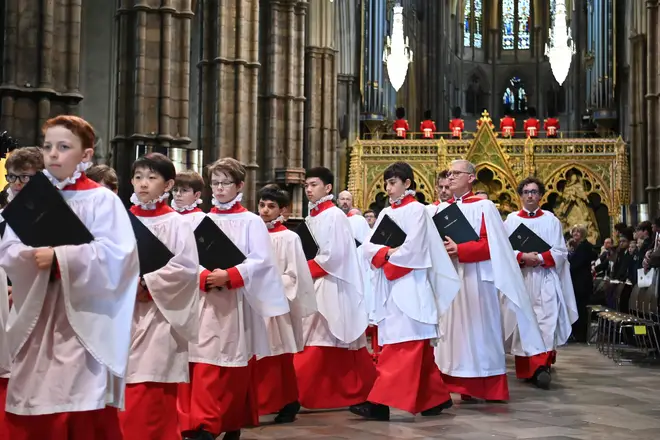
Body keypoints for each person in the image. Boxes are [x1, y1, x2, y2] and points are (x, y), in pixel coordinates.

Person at [0, 115, 139, 439]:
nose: (52, 154)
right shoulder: (34, 194)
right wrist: (27, 257)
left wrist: (60, 258)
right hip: (38, 311)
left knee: (77, 403)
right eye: (48, 146)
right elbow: (8, 246)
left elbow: (120, 255)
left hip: (82, 319)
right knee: (32, 399)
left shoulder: (101, 199)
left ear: (85, 155)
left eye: (64, 147)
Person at [178, 158, 290, 440]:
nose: (219, 188)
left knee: (227, 361)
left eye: (225, 182)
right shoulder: (200, 219)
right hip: (204, 299)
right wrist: (204, 276)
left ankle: (226, 420)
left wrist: (231, 275)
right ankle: (201, 423)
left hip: (235, 301)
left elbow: (263, 261)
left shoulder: (252, 221)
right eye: (215, 183)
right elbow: (185, 257)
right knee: (201, 360)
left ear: (239, 185)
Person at [352, 162, 459, 421]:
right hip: (391, 285)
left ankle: (379, 403)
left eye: (393, 183)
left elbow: (415, 250)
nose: (388, 189)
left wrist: (386, 259)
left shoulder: (418, 211)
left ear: (407, 184)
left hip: (411, 285)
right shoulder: (387, 212)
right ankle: (435, 399)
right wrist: (387, 252)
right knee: (415, 349)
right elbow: (367, 246)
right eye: (386, 184)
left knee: (404, 347)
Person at [433, 160, 545, 402]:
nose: (450, 178)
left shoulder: (484, 207)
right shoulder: (442, 209)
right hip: (451, 277)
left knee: (480, 332)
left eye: (455, 173)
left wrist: (459, 249)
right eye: (448, 174)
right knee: (454, 335)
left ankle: (487, 385)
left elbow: (492, 245)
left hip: (477, 279)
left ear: (471, 178)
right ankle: (460, 385)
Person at [121, 153, 200, 439]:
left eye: (152, 178)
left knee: (151, 384)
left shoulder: (177, 224)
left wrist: (149, 284)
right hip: (124, 312)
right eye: (138, 177)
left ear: (167, 185)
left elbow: (186, 266)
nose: (143, 184)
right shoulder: (121, 220)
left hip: (160, 314)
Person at [294, 167, 376, 411]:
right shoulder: (312, 216)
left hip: (331, 284)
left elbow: (335, 256)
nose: (309, 189)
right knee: (317, 338)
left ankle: (300, 394)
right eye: (306, 185)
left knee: (322, 336)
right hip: (313, 282)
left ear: (327, 188)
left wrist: (301, 267)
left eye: (314, 184)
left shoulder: (335, 216)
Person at [504, 177, 577, 389]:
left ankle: (541, 368)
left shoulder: (551, 220)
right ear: (520, 195)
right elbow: (505, 250)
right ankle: (528, 369)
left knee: (546, 321)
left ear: (540, 196)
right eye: (526, 191)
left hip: (545, 278)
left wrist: (539, 258)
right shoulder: (510, 221)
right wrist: (522, 256)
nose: (530, 195)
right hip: (522, 278)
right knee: (523, 323)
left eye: (534, 192)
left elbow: (560, 251)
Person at [256, 185, 317, 423]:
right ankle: (270, 402)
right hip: (253, 302)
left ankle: (286, 402)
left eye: (271, 206)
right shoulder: (252, 232)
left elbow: (295, 276)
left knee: (276, 357)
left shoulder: (289, 238)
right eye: (262, 205)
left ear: (284, 210)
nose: (265, 211)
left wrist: (268, 281)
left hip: (277, 304)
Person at [568, 225, 597, 342]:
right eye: (574, 232)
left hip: (581, 283)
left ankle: (581, 335)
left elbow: (576, 264)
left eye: (578, 232)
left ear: (583, 234)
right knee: (577, 307)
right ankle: (577, 333)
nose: (575, 234)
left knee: (581, 308)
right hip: (577, 282)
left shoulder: (585, 247)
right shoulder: (577, 246)